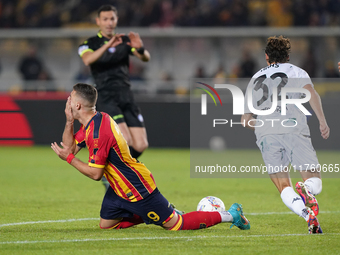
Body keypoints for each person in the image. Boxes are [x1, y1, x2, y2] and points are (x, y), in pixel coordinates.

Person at [51, 83, 251, 231]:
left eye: (70, 97)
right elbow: (69, 146)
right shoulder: (94, 121)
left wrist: (69, 159)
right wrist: (69, 121)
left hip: (137, 187)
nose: (67, 100)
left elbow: (95, 173)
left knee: (176, 224)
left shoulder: (98, 131)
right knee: (106, 226)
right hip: (118, 188)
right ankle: (152, 214)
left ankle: (230, 215)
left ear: (78, 105)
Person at [241, 36, 330, 234]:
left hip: (266, 133)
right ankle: (307, 188)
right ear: (288, 56)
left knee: (283, 185)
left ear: (266, 56)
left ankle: (307, 216)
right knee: (314, 179)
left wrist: (264, 124)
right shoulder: (297, 72)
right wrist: (322, 122)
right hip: (293, 127)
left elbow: (245, 120)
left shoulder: (255, 78)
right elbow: (312, 95)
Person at [78, 5, 150, 189]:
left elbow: (145, 58)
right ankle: (117, 178)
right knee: (125, 139)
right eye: (105, 19)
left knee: (141, 145)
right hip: (106, 96)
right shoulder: (89, 43)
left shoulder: (125, 41)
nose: (109, 23)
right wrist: (108, 45)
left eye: (112, 19)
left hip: (126, 95)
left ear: (116, 20)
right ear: (98, 21)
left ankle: (110, 170)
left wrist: (140, 49)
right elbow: (88, 59)